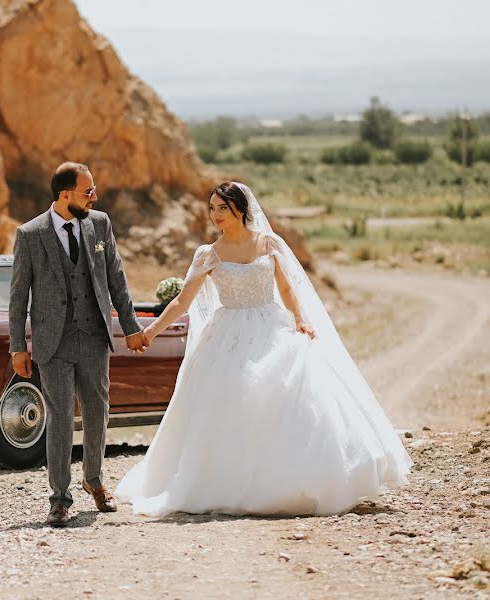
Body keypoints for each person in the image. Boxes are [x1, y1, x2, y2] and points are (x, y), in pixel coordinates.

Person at [116, 182, 412, 516]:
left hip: (270, 324)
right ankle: (229, 480)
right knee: (229, 400)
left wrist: (300, 318)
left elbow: (286, 287)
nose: (215, 215)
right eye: (211, 208)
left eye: (221, 208)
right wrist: (151, 331)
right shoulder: (208, 254)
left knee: (284, 390)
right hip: (227, 334)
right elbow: (184, 300)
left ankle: (296, 476)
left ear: (240, 210)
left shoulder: (269, 243)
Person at [9, 162, 148, 527]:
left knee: (97, 412)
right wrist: (17, 347)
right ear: (64, 194)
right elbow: (18, 296)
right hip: (51, 342)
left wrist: (131, 326)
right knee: (58, 419)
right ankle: (59, 499)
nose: (94, 197)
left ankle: (95, 480)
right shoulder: (30, 234)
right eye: (88, 191)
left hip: (93, 336)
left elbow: (116, 277)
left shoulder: (99, 224)